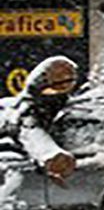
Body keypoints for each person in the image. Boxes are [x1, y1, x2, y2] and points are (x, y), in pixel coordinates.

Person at [0, 56, 79, 184]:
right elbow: (31, 130)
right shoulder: (25, 112)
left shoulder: (68, 108)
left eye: (68, 81)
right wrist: (52, 156)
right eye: (59, 82)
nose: (64, 86)